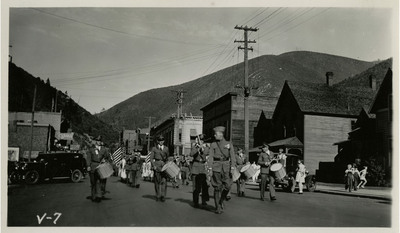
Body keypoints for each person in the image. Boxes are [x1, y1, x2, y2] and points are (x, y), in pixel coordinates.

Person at [209, 126, 236, 214]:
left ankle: (221, 200)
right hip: (216, 167)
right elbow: (210, 157)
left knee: (228, 186)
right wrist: (210, 168)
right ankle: (218, 207)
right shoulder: (213, 144)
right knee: (217, 187)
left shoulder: (228, 143)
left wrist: (232, 167)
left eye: (215, 134)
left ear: (221, 134)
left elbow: (232, 156)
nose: (214, 135)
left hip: (226, 167)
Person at [86, 136, 110, 203]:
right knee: (93, 182)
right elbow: (88, 158)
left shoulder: (104, 149)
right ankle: (93, 195)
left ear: (101, 142)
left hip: (100, 167)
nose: (98, 142)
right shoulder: (91, 149)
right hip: (93, 167)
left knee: (99, 182)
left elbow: (107, 157)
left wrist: (105, 161)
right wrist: (88, 166)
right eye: (97, 141)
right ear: (95, 141)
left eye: (99, 141)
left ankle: (98, 196)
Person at [149, 135, 173, 202]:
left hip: (164, 166)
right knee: (157, 182)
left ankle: (163, 196)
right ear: (157, 141)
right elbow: (151, 158)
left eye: (162, 140)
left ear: (164, 141)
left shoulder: (166, 148)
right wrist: (153, 165)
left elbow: (168, 157)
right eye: (160, 141)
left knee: (164, 181)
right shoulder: (154, 148)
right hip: (157, 166)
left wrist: (168, 164)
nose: (161, 142)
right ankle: (158, 195)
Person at [190, 134, 210, 208]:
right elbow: (191, 154)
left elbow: (205, 155)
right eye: (199, 140)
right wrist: (197, 149)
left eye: (201, 140)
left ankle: (204, 200)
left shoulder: (207, 147)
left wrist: (202, 150)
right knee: (196, 186)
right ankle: (196, 201)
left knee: (204, 185)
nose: (200, 142)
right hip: (196, 167)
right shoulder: (194, 147)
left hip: (203, 167)